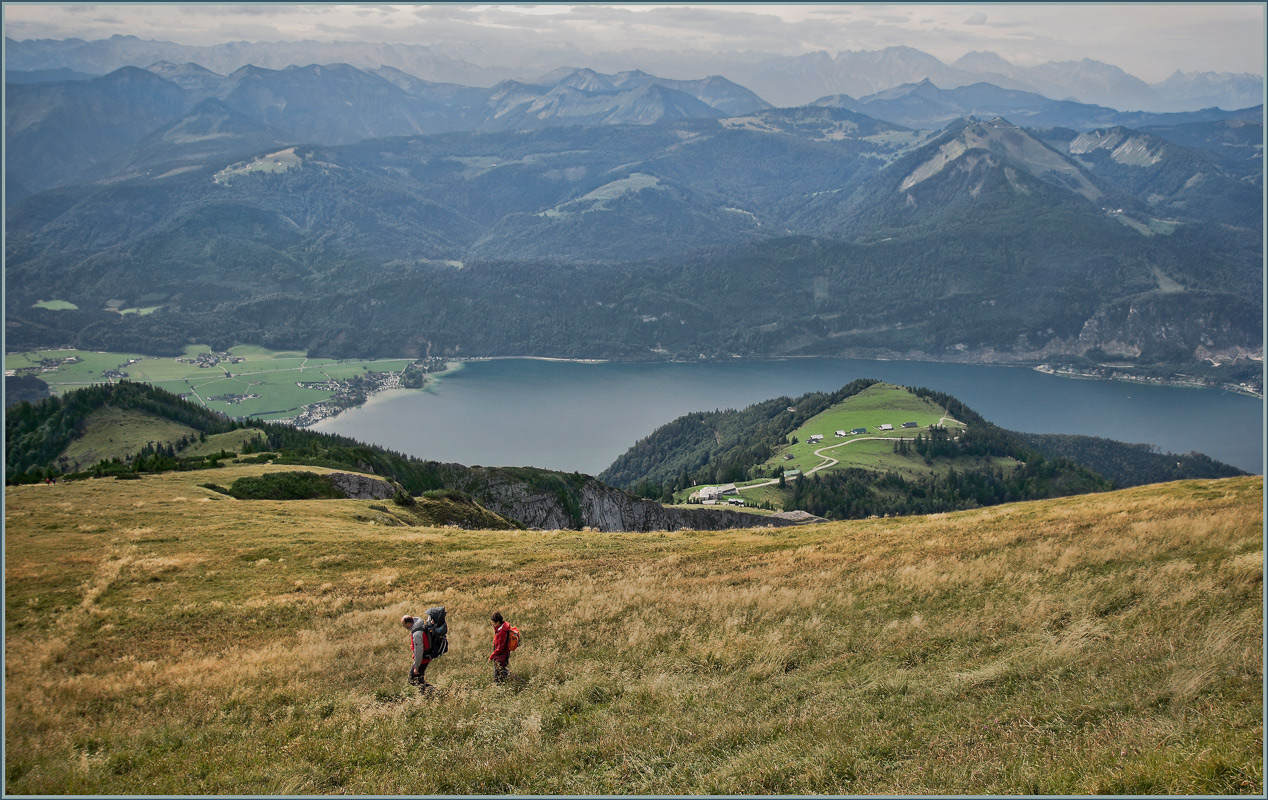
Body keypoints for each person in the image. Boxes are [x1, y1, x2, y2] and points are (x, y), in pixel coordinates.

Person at [401, 614, 435, 691]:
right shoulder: (420, 627)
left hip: (422, 659)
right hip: (425, 658)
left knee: (413, 680)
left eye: (403, 624)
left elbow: (418, 651)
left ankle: (434, 693)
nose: (403, 626)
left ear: (408, 623)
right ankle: (428, 695)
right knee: (419, 680)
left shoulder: (417, 633)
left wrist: (417, 666)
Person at [489, 611, 511, 683]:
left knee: (500, 671)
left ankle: (516, 679)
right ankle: (501, 684)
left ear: (498, 622)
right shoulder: (501, 628)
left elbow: (500, 648)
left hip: (501, 654)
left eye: (494, 623)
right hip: (501, 654)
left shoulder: (502, 632)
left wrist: (491, 656)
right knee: (499, 672)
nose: (493, 624)